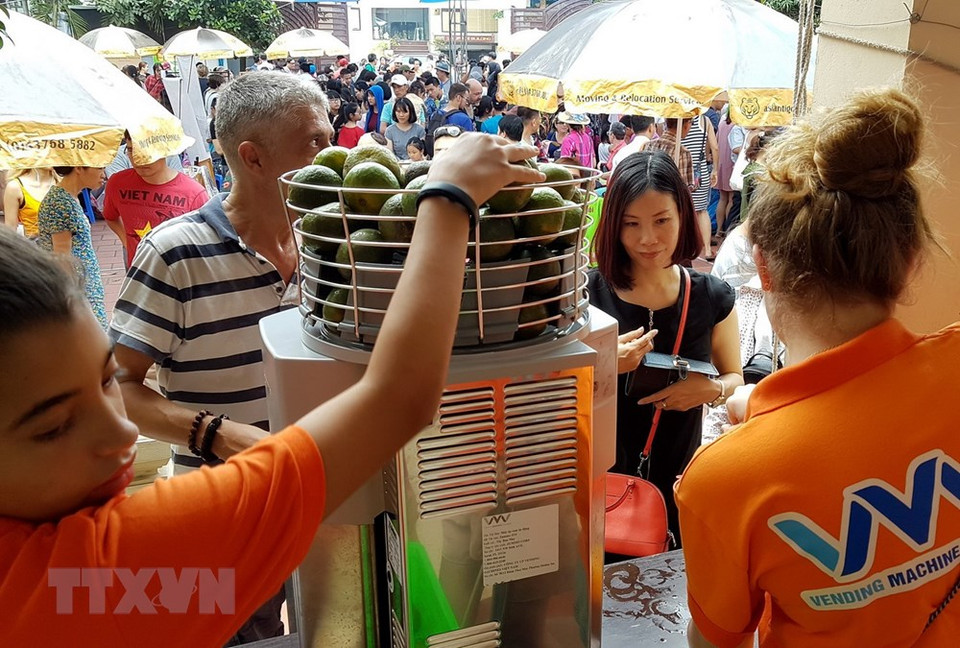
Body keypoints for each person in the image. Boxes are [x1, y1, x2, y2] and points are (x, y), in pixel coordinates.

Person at [0, 133, 544, 646]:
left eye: (102, 382)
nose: (119, 431)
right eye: (53, 427)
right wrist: (448, 196)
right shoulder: (93, 569)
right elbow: (398, 401)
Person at [676, 87, 960, 648]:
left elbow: (713, 641)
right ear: (910, 261)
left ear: (764, 267)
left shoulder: (723, 481)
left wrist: (762, 440)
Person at [108, 73, 334, 644]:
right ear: (253, 158)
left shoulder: (334, 244)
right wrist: (217, 433)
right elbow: (116, 388)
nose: (332, 156)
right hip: (224, 512)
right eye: (313, 142)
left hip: (323, 501)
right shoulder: (175, 252)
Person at [587, 150, 741, 547]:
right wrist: (605, 365)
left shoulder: (711, 296)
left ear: (683, 216)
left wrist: (712, 391)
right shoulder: (587, 295)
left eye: (661, 221)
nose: (648, 239)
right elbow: (548, 391)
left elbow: (734, 377)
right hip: (600, 485)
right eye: (631, 224)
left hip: (678, 481)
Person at [102, 135, 209, 267]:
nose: (138, 159)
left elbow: (206, 242)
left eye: (146, 150)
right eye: (131, 150)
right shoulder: (117, 183)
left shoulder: (194, 193)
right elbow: (110, 217)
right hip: (137, 272)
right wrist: (127, 242)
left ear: (165, 149)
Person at [36, 166, 108, 329]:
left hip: (85, 290)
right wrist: (74, 300)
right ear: (79, 168)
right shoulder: (60, 203)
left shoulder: (68, 198)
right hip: (80, 293)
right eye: (99, 168)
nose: (103, 174)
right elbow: (62, 258)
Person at [3, 167, 57, 239]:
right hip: (33, 246)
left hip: (65, 245)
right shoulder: (15, 187)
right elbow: (10, 231)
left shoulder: (64, 183)